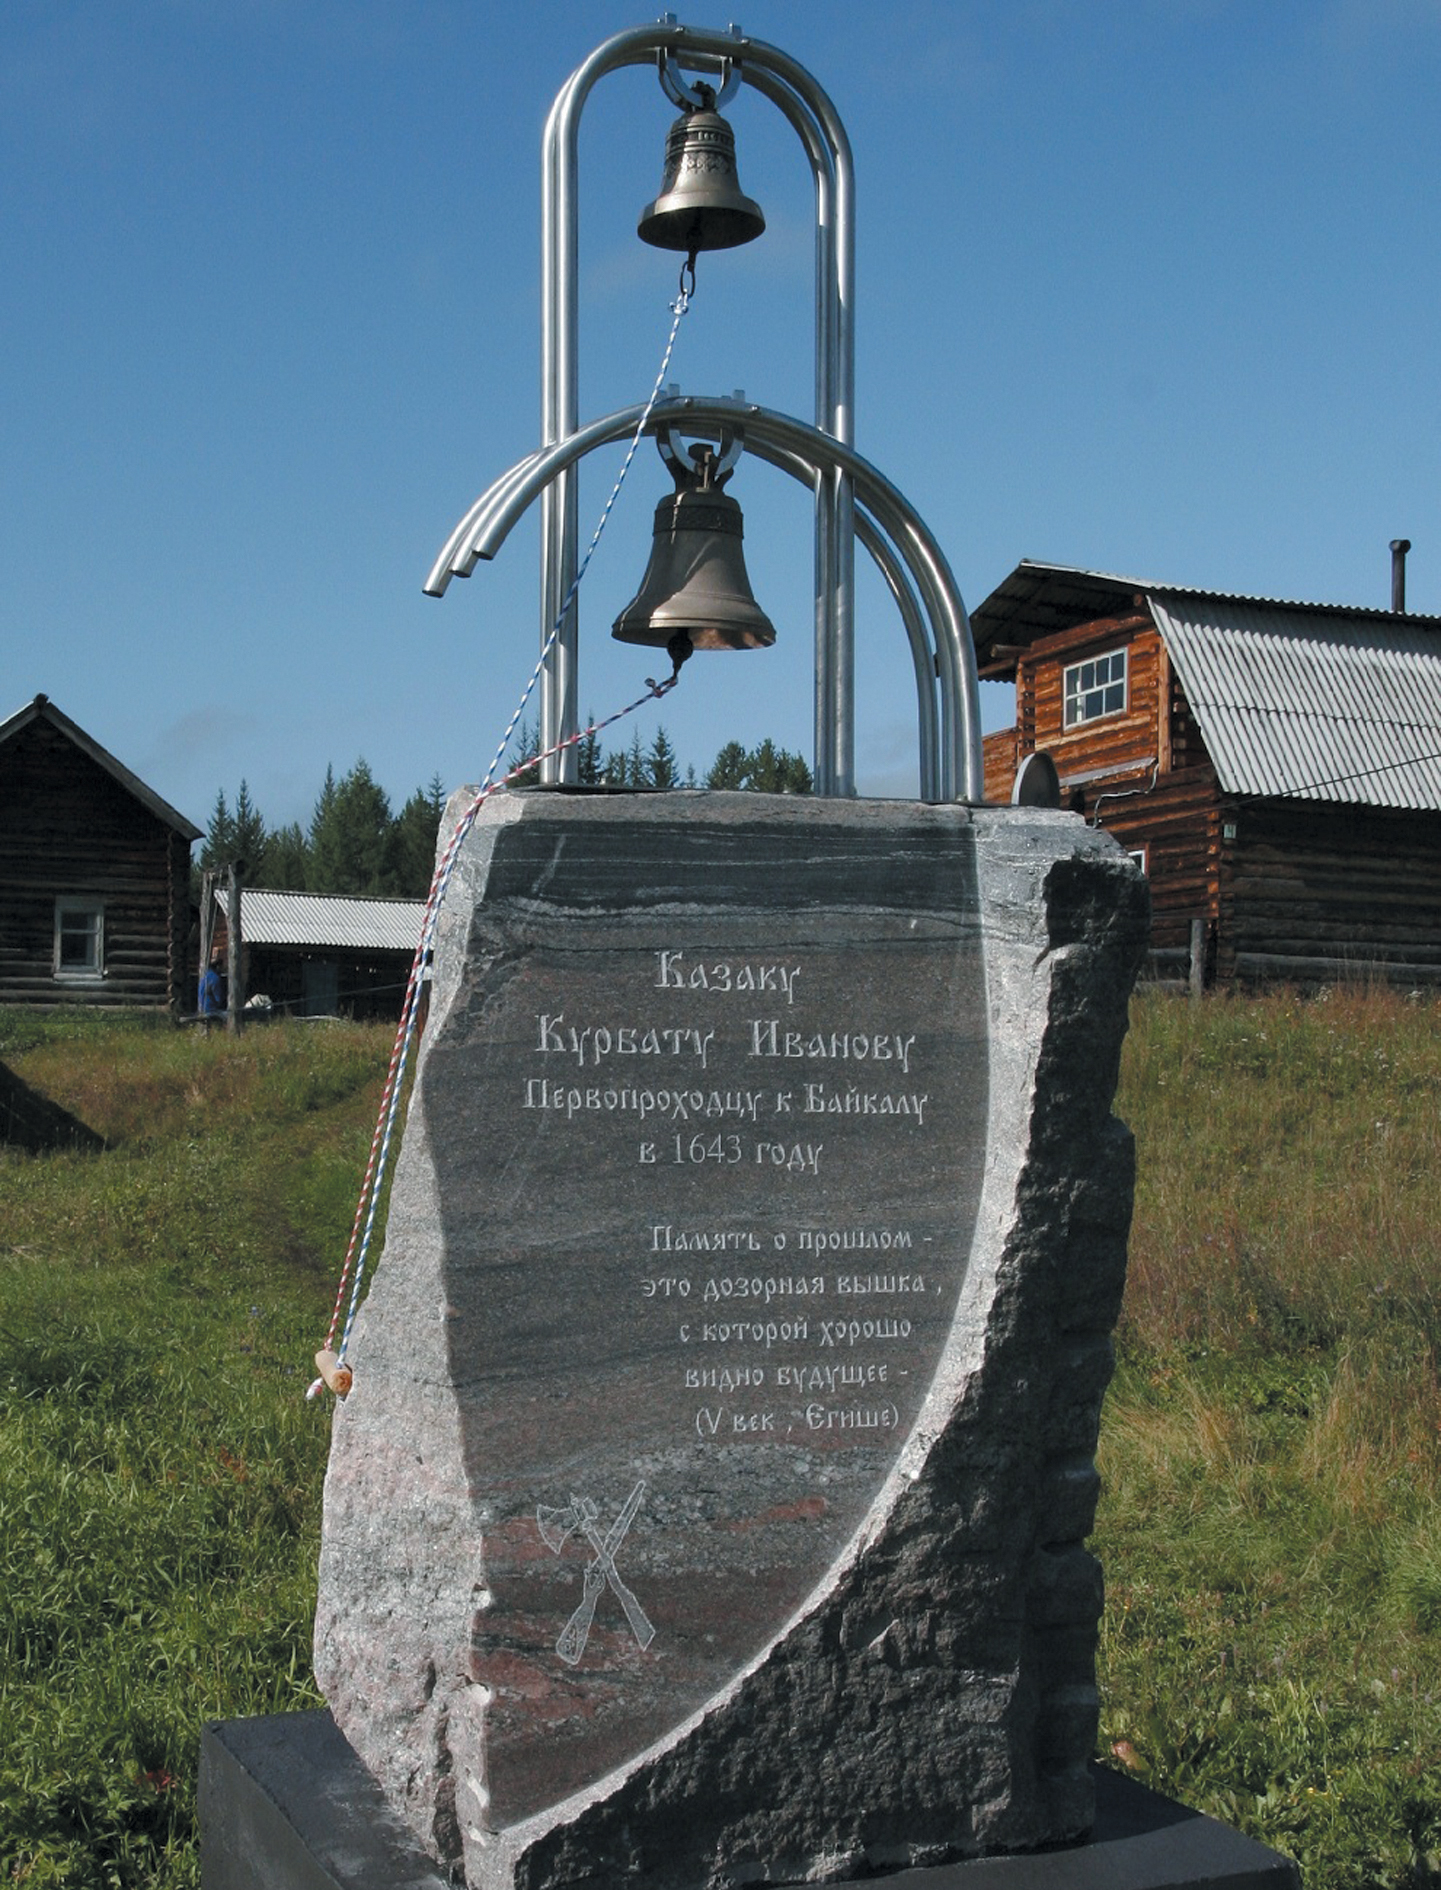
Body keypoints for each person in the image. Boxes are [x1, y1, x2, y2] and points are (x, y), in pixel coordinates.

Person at [198, 950, 226, 1021]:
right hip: (211, 1009)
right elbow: (218, 999)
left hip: (202, 1008)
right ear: (217, 966)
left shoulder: (205, 976)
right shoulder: (215, 978)